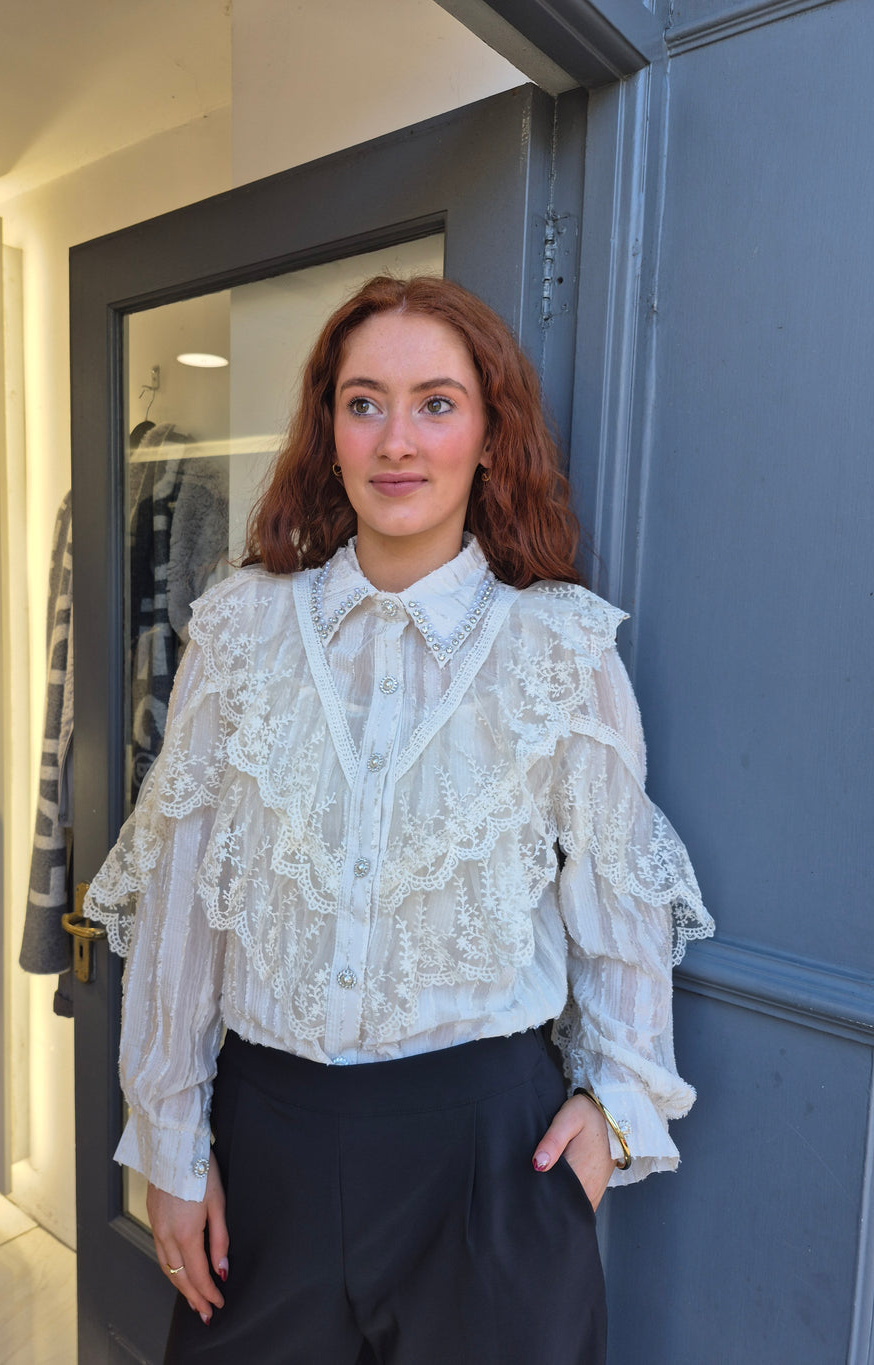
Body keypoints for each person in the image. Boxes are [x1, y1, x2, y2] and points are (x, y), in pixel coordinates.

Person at [84, 274, 714, 1365]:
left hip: (487, 1161)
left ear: (487, 432)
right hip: (265, 1147)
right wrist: (172, 1147)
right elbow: (183, 904)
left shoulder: (558, 649)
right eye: (364, 402)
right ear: (327, 431)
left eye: (436, 402)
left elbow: (621, 899)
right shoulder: (239, 633)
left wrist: (611, 1117)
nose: (397, 440)